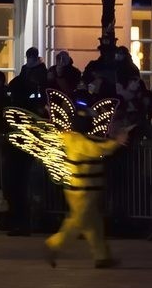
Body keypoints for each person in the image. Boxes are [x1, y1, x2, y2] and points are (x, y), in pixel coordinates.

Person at [45, 103, 130, 268]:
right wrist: (117, 142)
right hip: (83, 191)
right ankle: (53, 244)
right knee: (77, 222)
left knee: (94, 224)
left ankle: (102, 257)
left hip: (77, 189)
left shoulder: (69, 137)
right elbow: (99, 148)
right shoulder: (82, 142)